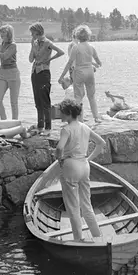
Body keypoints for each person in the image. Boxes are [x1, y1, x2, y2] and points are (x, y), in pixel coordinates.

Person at [54, 98, 105, 242]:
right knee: (87, 204)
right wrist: (89, 159)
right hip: (84, 165)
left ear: (69, 113)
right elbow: (101, 143)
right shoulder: (85, 127)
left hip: (71, 165)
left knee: (73, 206)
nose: (60, 115)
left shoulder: (66, 129)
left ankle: (78, 239)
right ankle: (97, 236)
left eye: (62, 112)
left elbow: (59, 148)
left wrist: (60, 159)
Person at [58, 25, 102, 124]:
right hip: (90, 73)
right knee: (91, 96)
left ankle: (79, 120)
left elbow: (69, 63)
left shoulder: (76, 47)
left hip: (79, 73)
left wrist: (62, 76)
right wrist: (98, 63)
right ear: (88, 36)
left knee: (78, 97)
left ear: (77, 36)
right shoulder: (91, 47)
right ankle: (96, 117)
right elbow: (98, 61)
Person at [29, 23, 64, 134]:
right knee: (37, 101)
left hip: (44, 72)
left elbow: (61, 52)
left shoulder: (47, 43)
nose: (31, 35)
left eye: (32, 33)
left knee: (45, 100)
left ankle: (48, 127)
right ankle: (40, 126)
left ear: (37, 32)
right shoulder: (35, 43)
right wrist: (32, 46)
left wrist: (49, 59)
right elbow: (30, 60)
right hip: (34, 72)